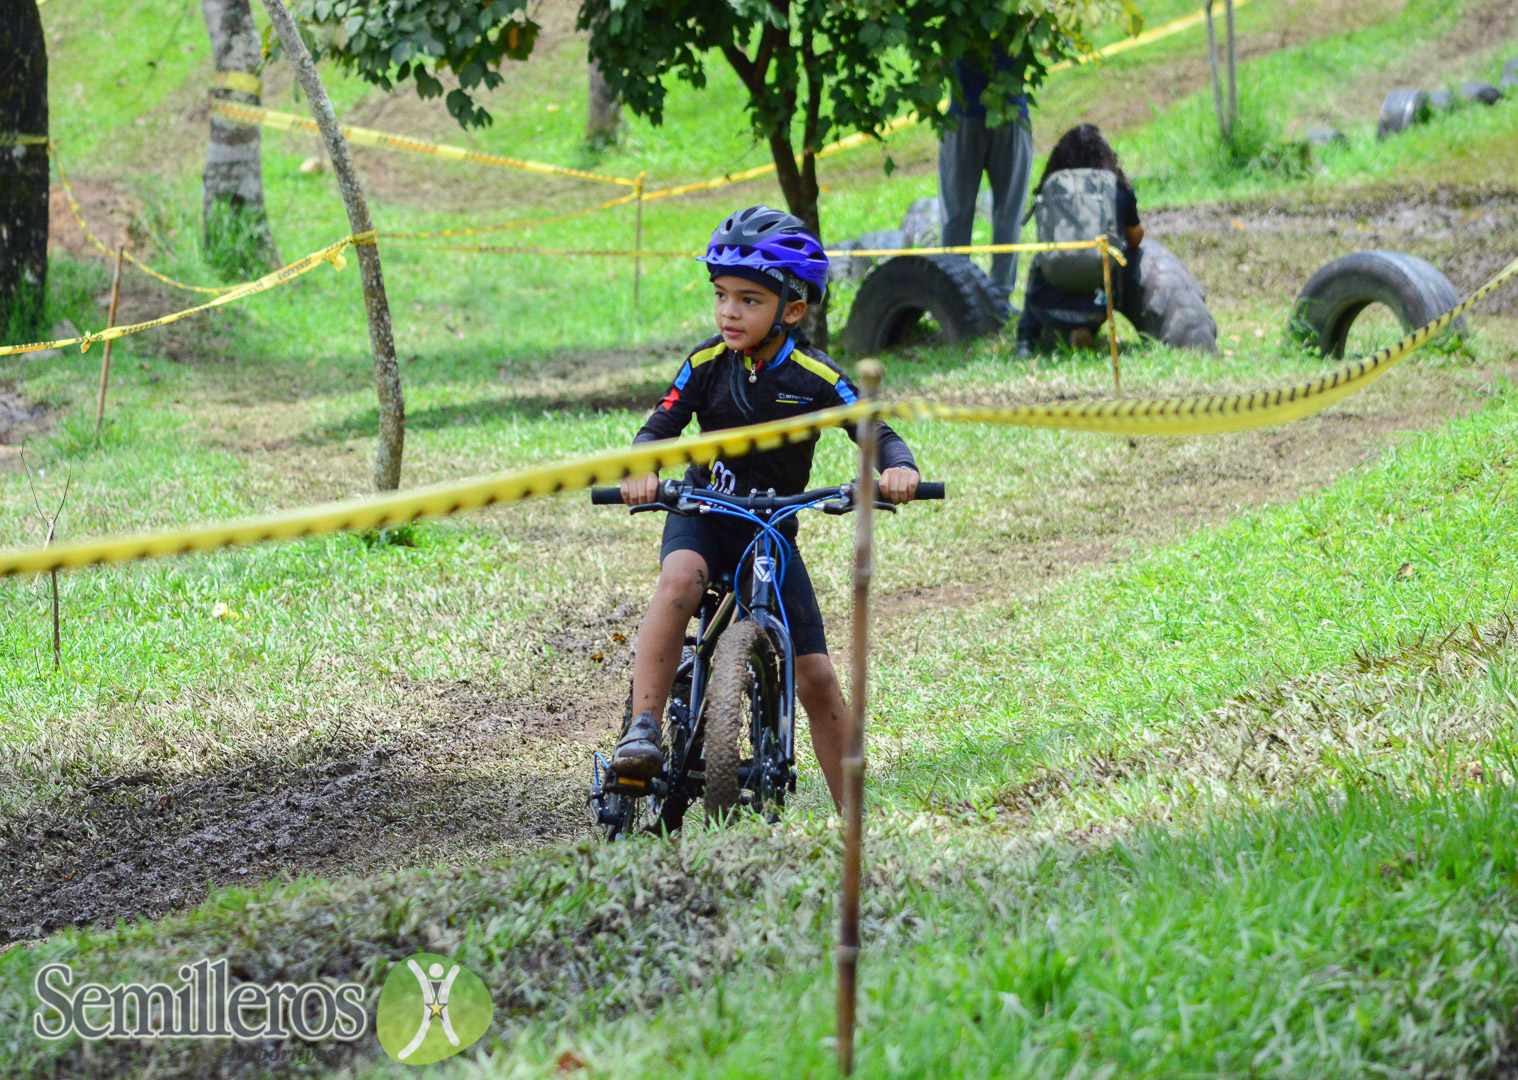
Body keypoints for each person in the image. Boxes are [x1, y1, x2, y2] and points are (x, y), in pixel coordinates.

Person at [611, 206, 921, 809]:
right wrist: (642, 467)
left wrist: (897, 467)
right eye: (721, 295)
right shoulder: (704, 365)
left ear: (793, 310)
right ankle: (642, 728)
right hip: (702, 514)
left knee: (818, 675)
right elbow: (659, 426)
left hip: (770, 532)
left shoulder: (814, 377)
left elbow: (874, 429)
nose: (729, 312)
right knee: (679, 581)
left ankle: (856, 821)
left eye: (749, 300)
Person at [1015, 124, 1145, 355]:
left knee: (1039, 260)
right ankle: (1088, 328)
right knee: (1121, 255)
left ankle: (1025, 340)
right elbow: (1135, 238)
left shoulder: (1051, 186)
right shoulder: (1117, 187)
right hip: (1100, 300)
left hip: (1048, 300)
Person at [938, 44, 1037, 302]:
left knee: (1006, 215)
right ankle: (954, 296)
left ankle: (997, 299)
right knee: (961, 215)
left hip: (1007, 115)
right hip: (968, 116)